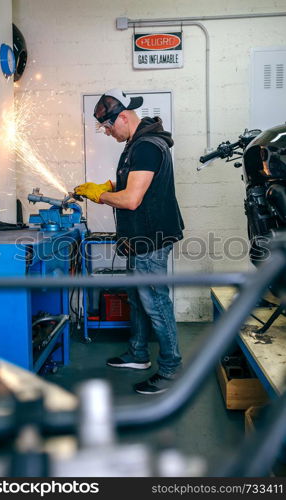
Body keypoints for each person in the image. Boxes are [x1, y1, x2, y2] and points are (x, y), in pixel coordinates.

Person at [74, 89, 184, 394]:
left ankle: (171, 369)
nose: (109, 133)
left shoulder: (147, 146)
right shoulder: (136, 143)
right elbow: (132, 182)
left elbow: (133, 198)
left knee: (156, 303)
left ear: (123, 116)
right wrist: (106, 185)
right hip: (139, 238)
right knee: (137, 297)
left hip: (150, 238)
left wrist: (100, 195)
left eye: (109, 127)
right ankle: (138, 354)